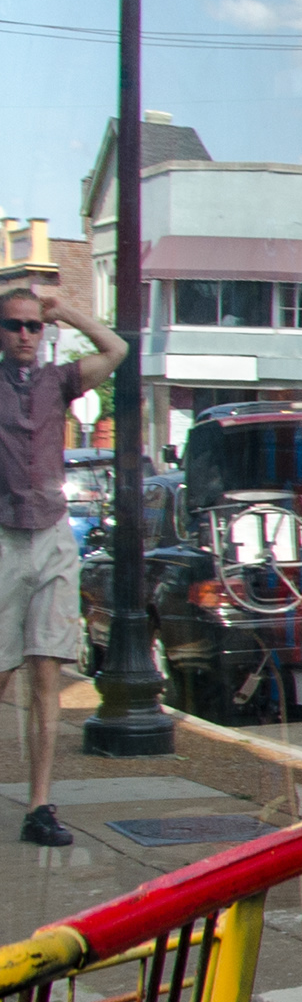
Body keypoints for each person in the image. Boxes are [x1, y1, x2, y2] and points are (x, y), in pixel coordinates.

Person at [0, 274, 126, 846]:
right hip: (4, 538)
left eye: (33, 325)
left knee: (47, 672)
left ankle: (40, 805)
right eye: (14, 325)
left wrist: (67, 311)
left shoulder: (60, 381)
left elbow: (116, 350)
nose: (25, 334)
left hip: (52, 536)